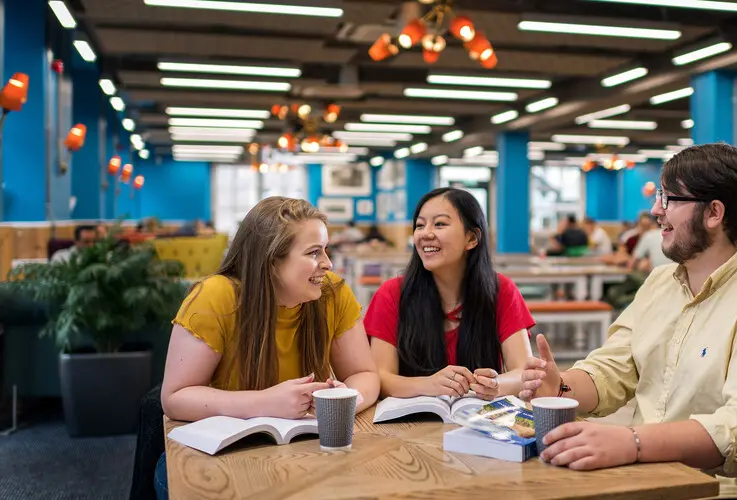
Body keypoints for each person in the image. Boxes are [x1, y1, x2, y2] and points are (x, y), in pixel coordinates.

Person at [520, 143, 737, 499]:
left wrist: (632, 442)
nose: (656, 209)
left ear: (714, 213)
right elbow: (614, 369)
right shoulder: (662, 282)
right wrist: (562, 387)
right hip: (655, 475)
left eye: (669, 198)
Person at [156, 197, 380, 498]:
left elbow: (365, 373)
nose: (327, 263)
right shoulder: (214, 297)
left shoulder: (332, 293)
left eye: (326, 250)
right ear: (272, 262)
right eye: (314, 252)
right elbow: (175, 398)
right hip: (217, 455)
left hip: (304, 452)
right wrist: (265, 402)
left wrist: (343, 398)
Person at [364, 187, 535, 400]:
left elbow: (524, 372)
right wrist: (429, 384)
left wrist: (495, 385)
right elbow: (380, 377)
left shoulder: (501, 290)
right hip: (410, 424)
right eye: (419, 225)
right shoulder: (391, 294)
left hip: (478, 422)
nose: (426, 233)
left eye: (440, 224)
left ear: (471, 238)